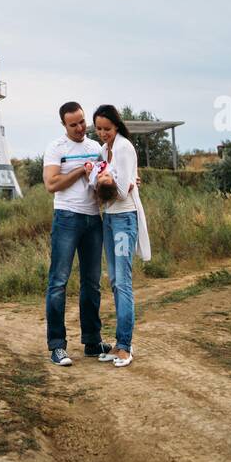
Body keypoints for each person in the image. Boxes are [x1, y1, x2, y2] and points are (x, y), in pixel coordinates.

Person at [42, 101, 113, 366]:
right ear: (64, 125)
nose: (80, 128)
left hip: (93, 218)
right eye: (74, 124)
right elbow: (51, 184)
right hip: (67, 218)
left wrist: (126, 181)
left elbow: (105, 179)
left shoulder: (95, 148)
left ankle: (93, 342)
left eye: (82, 122)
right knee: (58, 282)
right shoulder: (56, 148)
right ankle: (57, 346)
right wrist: (78, 171)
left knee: (92, 283)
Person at [88, 104, 151, 367]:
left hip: (124, 218)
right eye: (99, 129)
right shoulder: (104, 150)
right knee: (113, 280)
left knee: (123, 281)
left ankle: (125, 345)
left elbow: (124, 192)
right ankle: (118, 343)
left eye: (107, 128)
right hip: (109, 219)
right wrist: (100, 178)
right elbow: (96, 185)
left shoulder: (124, 148)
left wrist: (105, 180)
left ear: (116, 126)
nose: (102, 133)